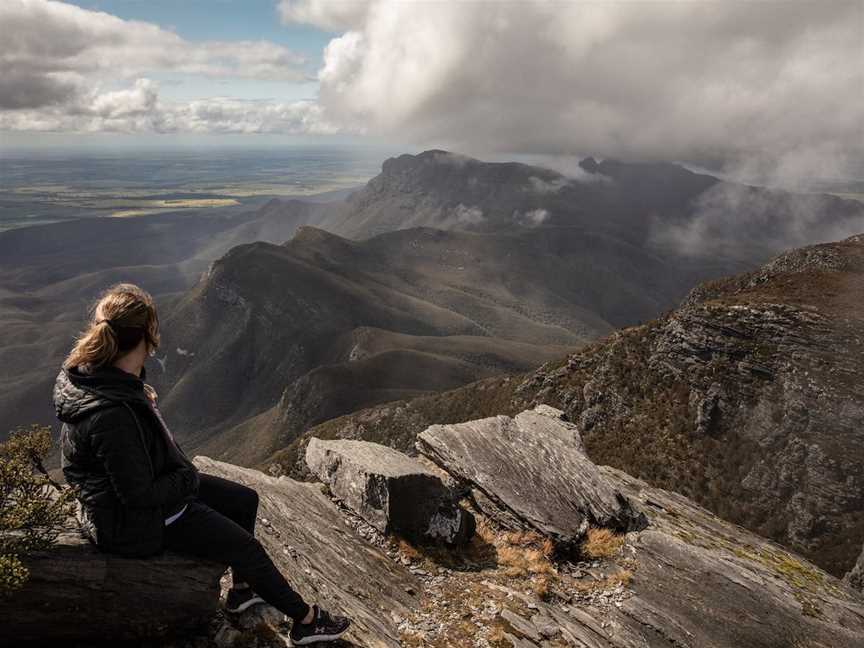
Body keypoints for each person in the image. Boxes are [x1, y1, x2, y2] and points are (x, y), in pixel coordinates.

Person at [54, 283, 350, 645]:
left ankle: (242, 592)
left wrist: (142, 402)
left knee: (245, 500)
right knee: (245, 548)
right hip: (131, 521)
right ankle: (306, 621)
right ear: (148, 336)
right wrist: (187, 479)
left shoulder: (97, 377)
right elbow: (139, 494)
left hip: (137, 494)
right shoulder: (114, 413)